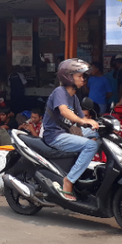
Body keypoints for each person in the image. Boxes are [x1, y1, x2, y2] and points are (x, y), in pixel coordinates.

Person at [42, 58, 100, 202]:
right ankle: (69, 180)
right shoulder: (59, 92)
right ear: (69, 77)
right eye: (79, 76)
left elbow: (82, 120)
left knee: (100, 134)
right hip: (55, 135)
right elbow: (64, 112)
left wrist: (104, 125)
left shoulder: (73, 97)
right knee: (91, 145)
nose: (83, 79)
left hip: (67, 133)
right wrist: (82, 121)